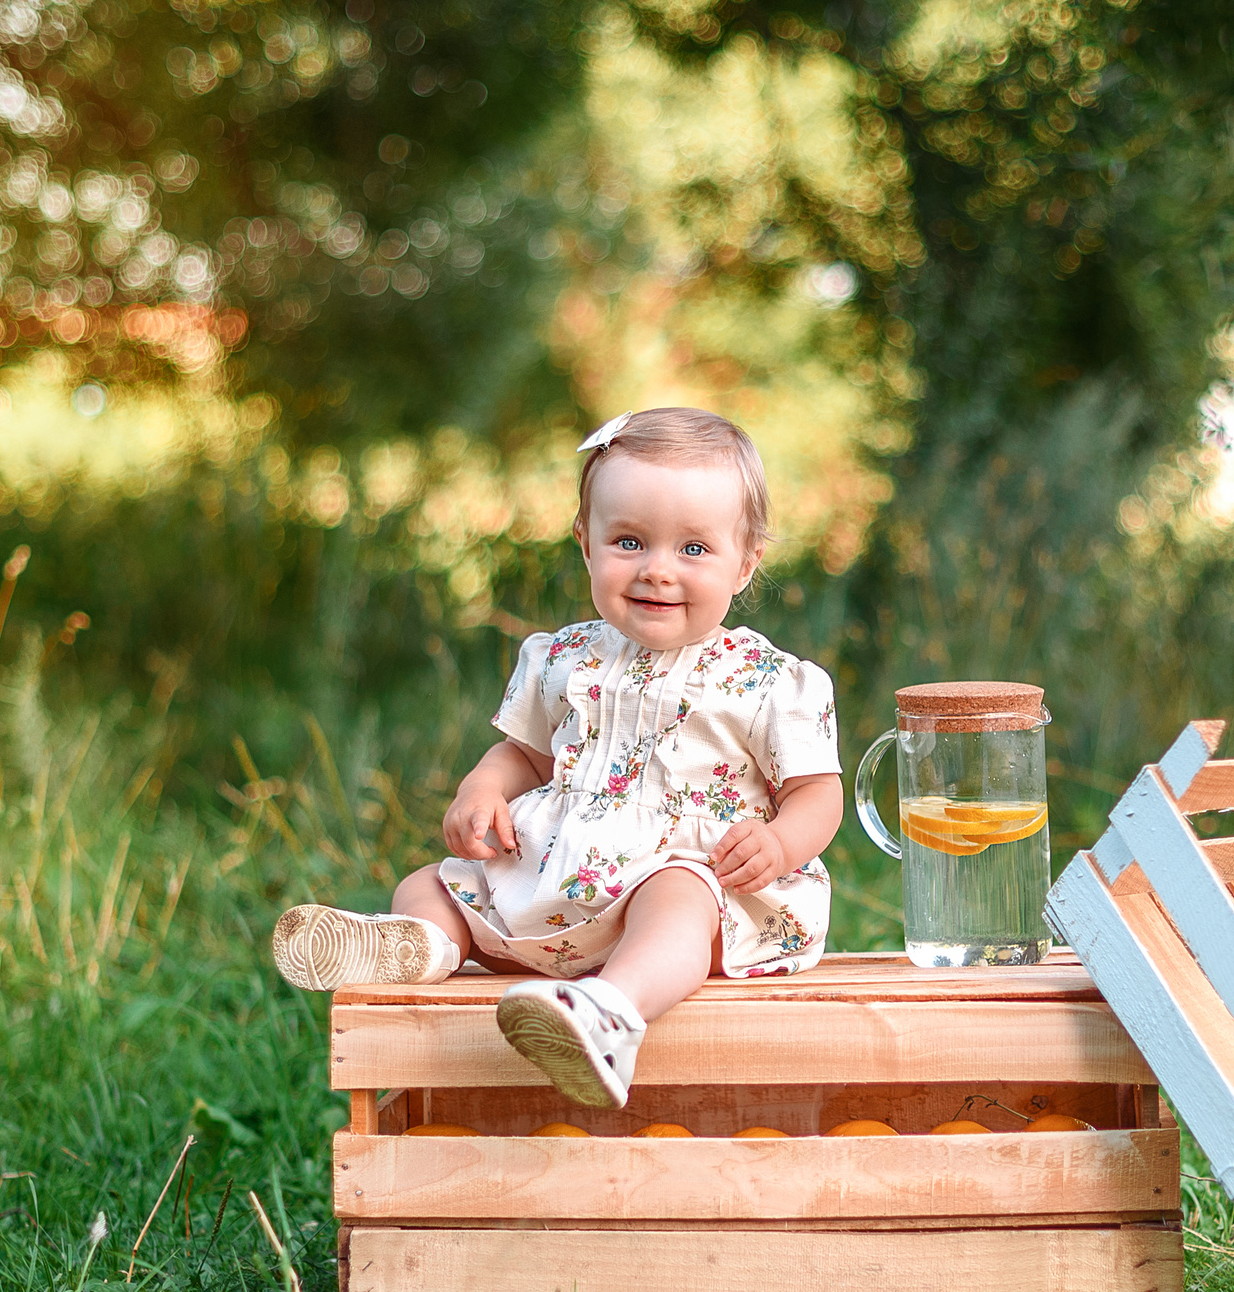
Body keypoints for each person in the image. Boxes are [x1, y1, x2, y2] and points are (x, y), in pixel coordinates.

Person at [270, 408, 843, 1108]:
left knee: (678, 898)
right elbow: (526, 753)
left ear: (746, 559)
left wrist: (779, 843)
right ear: (586, 542)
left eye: (693, 549)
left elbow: (817, 792)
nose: (657, 570)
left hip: (696, 873)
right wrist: (483, 785)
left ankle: (608, 1012)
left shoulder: (765, 678)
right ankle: (422, 945)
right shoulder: (564, 655)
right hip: (564, 867)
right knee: (434, 881)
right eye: (629, 541)